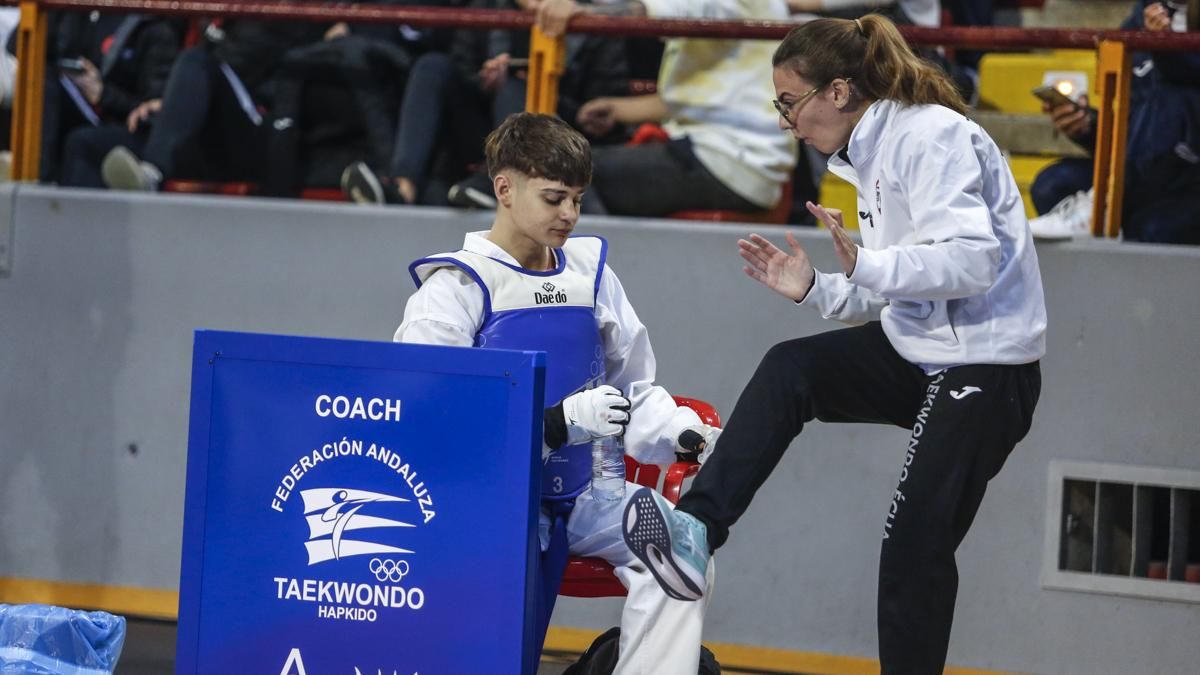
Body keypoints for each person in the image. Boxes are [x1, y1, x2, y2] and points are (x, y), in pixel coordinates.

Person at [621, 15, 1045, 675]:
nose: (787, 122)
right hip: (924, 348)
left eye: (789, 103)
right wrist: (814, 287)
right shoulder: (869, 154)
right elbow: (901, 289)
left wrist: (865, 268)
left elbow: (973, 263)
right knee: (792, 370)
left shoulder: (928, 135)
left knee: (913, 547)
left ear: (840, 91)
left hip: (987, 364)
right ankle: (695, 533)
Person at [399, 112, 718, 673]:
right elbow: (434, 417)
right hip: (488, 500)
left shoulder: (592, 275)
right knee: (499, 623)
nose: (569, 214)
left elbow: (631, 386)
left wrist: (673, 429)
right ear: (504, 188)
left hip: (589, 492)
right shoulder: (455, 289)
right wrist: (555, 424)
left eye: (576, 198)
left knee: (687, 551)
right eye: (553, 198)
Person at [535, 0, 797, 217]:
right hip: (736, 159)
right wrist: (619, 109)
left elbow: (656, 12)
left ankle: (590, 273)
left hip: (726, 160)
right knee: (577, 169)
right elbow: (699, 97)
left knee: (566, 173)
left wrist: (586, 14)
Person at [1029, 0, 1200, 243]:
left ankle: (1106, 202)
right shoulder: (1141, 18)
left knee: (1150, 228)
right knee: (1051, 185)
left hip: (1190, 177)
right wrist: (1086, 125)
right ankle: (1104, 202)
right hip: (1144, 171)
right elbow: (1133, 124)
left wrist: (1165, 46)